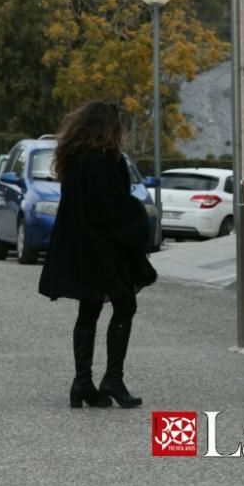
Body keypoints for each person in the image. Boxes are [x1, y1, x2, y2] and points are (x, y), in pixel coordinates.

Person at [39, 101, 154, 409]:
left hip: (82, 247)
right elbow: (114, 209)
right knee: (125, 305)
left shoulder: (74, 159)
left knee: (89, 310)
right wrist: (138, 223)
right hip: (103, 249)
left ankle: (82, 382)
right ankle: (112, 379)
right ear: (109, 128)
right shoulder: (101, 161)